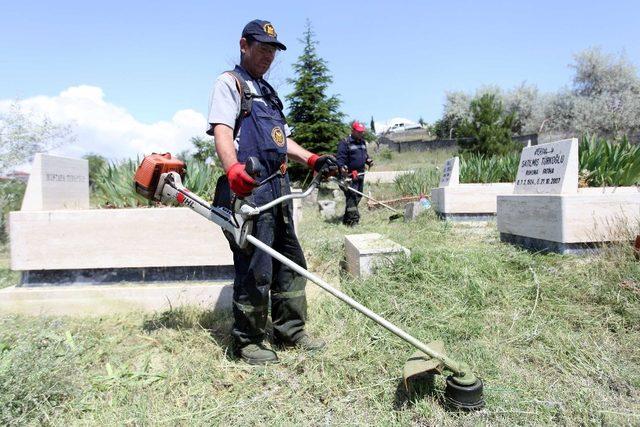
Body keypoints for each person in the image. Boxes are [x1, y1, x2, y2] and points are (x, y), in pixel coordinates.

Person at [207, 19, 339, 365]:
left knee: (290, 261)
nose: (268, 56)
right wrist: (232, 169)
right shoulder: (230, 84)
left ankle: (290, 330)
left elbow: (281, 140)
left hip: (279, 189)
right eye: (262, 48)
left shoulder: (267, 92)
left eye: (272, 50)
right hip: (251, 192)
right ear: (243, 45)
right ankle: (248, 341)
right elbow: (222, 130)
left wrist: (310, 158)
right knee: (256, 266)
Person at [336, 121, 373, 226]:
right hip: (349, 176)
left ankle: (346, 219)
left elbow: (365, 155)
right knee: (351, 197)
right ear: (353, 131)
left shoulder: (362, 142)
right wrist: (342, 167)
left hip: (360, 175)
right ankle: (353, 221)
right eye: (359, 132)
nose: (361, 134)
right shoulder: (345, 142)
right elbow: (340, 158)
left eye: (362, 132)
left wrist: (368, 160)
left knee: (358, 196)